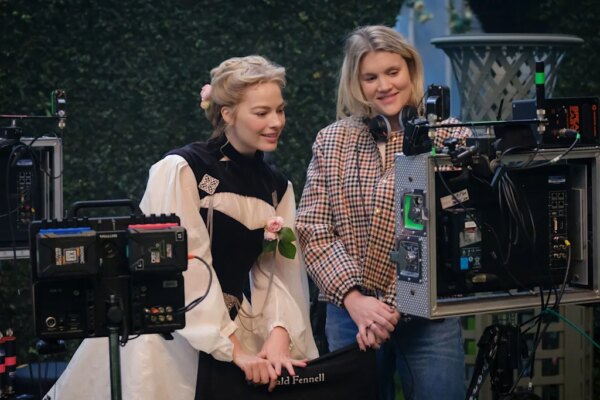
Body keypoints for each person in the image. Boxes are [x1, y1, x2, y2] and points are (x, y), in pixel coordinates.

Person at [45, 55, 318, 400]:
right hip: (171, 337)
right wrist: (233, 349)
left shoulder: (276, 186)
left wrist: (279, 335)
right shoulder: (182, 169)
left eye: (280, 110)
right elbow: (184, 267)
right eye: (262, 113)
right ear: (227, 113)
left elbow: (279, 274)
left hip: (238, 329)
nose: (276, 122)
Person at [296, 25, 469, 400]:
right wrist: (355, 300)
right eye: (370, 77)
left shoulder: (448, 137)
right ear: (356, 83)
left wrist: (387, 309)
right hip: (350, 315)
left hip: (429, 315)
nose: (385, 86)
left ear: (410, 69)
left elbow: (442, 234)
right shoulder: (333, 140)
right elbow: (312, 228)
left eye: (393, 72)